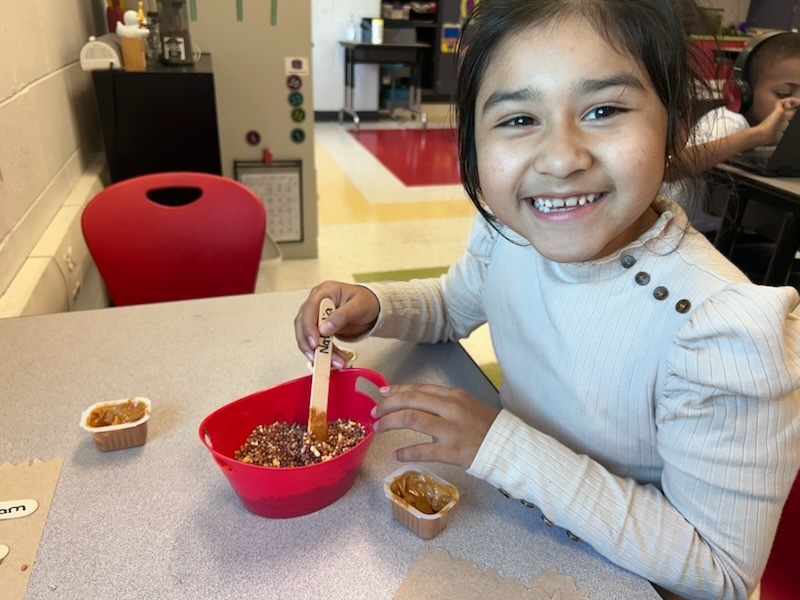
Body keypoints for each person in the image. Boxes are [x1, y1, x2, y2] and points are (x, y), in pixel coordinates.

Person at [294, 1, 800, 598]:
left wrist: (501, 445)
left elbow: (719, 573)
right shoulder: (510, 235)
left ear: (676, 127)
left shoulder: (724, 330)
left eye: (604, 110)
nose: (561, 159)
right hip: (520, 535)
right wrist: (376, 306)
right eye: (517, 119)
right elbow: (453, 305)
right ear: (473, 145)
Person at [664, 31, 800, 234]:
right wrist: (760, 135)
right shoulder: (729, 121)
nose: (795, 102)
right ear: (744, 92)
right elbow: (673, 168)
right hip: (679, 233)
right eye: (783, 93)